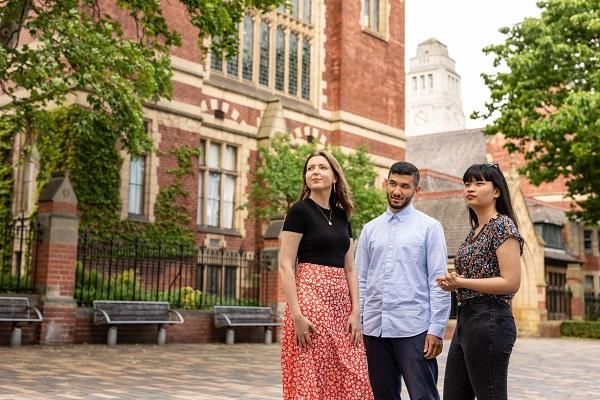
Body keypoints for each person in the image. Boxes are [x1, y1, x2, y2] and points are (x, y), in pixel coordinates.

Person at [279, 150, 373, 400]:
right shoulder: (299, 212)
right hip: (310, 298)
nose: (315, 172)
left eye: (321, 167)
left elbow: (350, 267)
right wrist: (296, 315)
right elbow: (285, 265)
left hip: (342, 305)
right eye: (310, 168)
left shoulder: (342, 215)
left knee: (354, 372)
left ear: (334, 176)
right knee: (314, 372)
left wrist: (356, 311)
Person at [355, 161, 450, 400]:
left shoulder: (430, 228)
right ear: (385, 184)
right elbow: (361, 280)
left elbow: (438, 281)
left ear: (416, 191)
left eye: (405, 186)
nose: (397, 191)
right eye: (393, 184)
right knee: (383, 396)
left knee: (423, 396)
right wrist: (361, 320)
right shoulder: (370, 229)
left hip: (414, 329)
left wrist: (436, 330)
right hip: (375, 329)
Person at [436, 162, 523, 400]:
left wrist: (462, 283)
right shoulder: (474, 232)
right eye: (467, 183)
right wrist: (453, 282)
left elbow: (511, 282)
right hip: (467, 320)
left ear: (496, 191)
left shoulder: (503, 226)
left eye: (478, 183)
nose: (470, 188)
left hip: (491, 319)